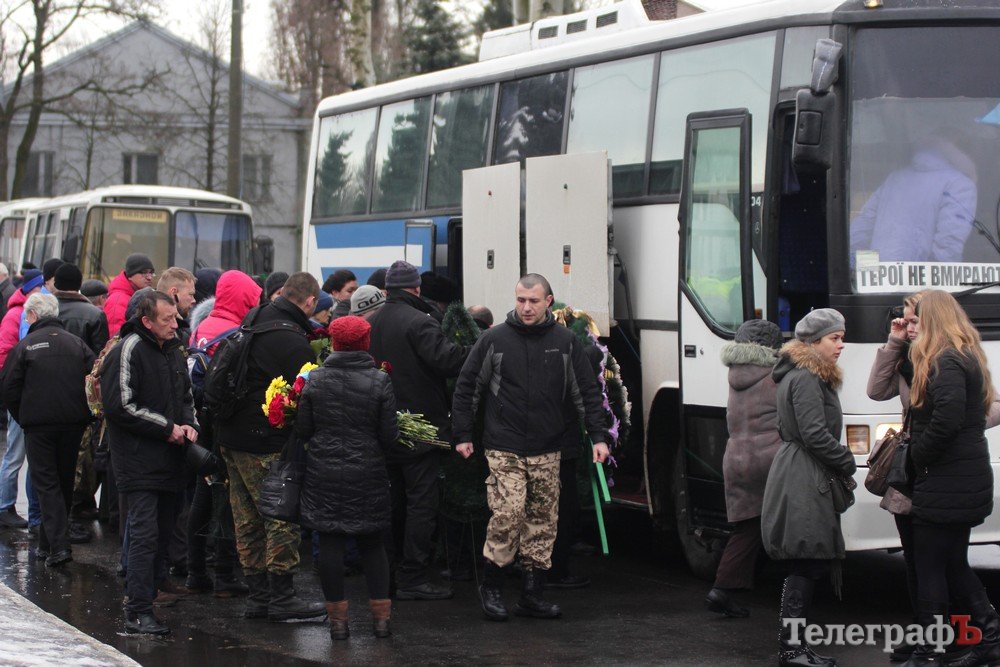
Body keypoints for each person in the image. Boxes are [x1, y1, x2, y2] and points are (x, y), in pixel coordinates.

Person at [452, 273, 609, 622]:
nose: (526, 307)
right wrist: (462, 434)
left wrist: (598, 436)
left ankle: (532, 594)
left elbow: (586, 391)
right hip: (503, 444)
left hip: (548, 446)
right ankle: (492, 587)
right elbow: (468, 387)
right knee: (508, 513)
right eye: (520, 300)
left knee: (542, 520)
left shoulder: (565, 341)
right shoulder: (494, 339)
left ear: (548, 302)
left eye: (533, 301)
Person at [213, 271, 327, 623]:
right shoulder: (293, 342)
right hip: (264, 440)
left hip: (231, 435)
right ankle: (282, 596)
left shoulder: (256, 317)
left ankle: (259, 597)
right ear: (310, 301)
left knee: (246, 518)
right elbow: (307, 397)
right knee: (280, 516)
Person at [902, 290, 1000, 666]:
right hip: (963, 478)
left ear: (933, 320)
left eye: (918, 319)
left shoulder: (945, 360)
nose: (913, 326)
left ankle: (930, 651)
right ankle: (989, 637)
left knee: (930, 565)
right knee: (953, 563)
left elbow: (947, 418)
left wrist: (918, 456)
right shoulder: (964, 354)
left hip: (947, 480)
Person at [367, 260, 469, 601]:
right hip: (421, 428)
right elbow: (448, 361)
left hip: (383, 426)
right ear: (416, 288)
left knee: (391, 502)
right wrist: (481, 347)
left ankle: (389, 573)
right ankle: (413, 576)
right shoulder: (420, 321)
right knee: (421, 504)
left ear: (387, 290)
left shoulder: (372, 321)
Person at [100, 291, 199, 635]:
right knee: (144, 534)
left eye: (175, 317)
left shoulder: (173, 349)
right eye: (167, 319)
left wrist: (190, 425)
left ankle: (155, 588)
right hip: (138, 461)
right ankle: (138, 609)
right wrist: (167, 428)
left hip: (172, 458)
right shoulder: (127, 349)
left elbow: (185, 395)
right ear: (146, 321)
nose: (175, 324)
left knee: (164, 530)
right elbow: (121, 405)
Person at [761, 308, 855, 667]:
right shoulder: (806, 377)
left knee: (806, 561)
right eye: (835, 338)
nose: (841, 345)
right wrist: (845, 460)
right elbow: (814, 433)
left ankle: (794, 647)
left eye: (842, 337)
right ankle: (792, 649)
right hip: (804, 475)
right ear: (814, 342)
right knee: (806, 561)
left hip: (803, 470)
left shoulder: (802, 374)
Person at [296, 315, 398, 640]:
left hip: (323, 471)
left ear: (335, 343)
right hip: (367, 470)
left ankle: (338, 624)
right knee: (372, 542)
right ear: (366, 343)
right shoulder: (379, 381)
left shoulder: (315, 380)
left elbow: (303, 429)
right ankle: (381, 622)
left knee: (330, 541)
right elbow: (389, 435)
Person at [1, 293, 94, 567]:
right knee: (63, 481)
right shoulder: (77, 344)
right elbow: (93, 380)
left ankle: (59, 547)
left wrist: (24, 417)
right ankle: (47, 543)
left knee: (47, 484)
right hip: (72, 424)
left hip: (39, 427)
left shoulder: (26, 346)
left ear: (32, 316)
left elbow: (9, 388)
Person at [185, 270, 261, 599]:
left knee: (202, 495)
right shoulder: (235, 332)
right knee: (226, 499)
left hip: (199, 418)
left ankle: (196, 571)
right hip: (220, 423)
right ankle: (224, 574)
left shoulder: (203, 326)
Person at [705, 319, 784, 618]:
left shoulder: (736, 374)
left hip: (736, 457)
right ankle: (797, 590)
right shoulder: (776, 375)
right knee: (781, 526)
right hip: (768, 458)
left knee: (748, 528)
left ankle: (726, 589)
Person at [850, 130, 977, 263]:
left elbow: (861, 230)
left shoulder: (895, 178)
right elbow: (948, 245)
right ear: (964, 154)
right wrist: (928, 276)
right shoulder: (960, 185)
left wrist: (865, 269)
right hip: (917, 275)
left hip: (881, 271)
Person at [0, 269, 44, 531]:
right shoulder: (16, 314)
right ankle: (4, 506)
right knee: (15, 454)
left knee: (24, 454)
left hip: (27, 392)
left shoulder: (24, 311)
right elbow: (5, 354)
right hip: (20, 394)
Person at [53, 263, 109, 355]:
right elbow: (101, 354)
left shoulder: (44, 310)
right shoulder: (95, 315)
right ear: (80, 284)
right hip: (83, 364)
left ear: (55, 284)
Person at [104, 253, 156, 337]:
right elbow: (115, 339)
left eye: (151, 273)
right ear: (130, 275)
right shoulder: (117, 301)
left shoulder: (137, 296)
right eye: (144, 273)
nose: (149, 277)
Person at [157, 268, 197, 343]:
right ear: (174, 293)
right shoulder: (163, 333)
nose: (194, 300)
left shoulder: (179, 330)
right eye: (191, 294)